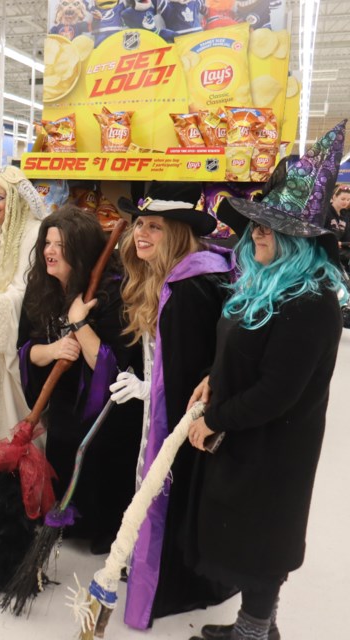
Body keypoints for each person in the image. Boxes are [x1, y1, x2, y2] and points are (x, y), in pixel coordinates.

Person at [186, 122, 347, 640]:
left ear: (300, 242)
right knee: (247, 531)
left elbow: (278, 393)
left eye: (270, 229)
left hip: (274, 443)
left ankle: (254, 632)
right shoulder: (265, 285)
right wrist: (213, 378)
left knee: (260, 537)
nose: (257, 234)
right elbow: (240, 347)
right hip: (245, 432)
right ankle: (255, 626)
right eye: (256, 226)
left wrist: (215, 421)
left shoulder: (310, 303)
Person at [113, 182, 237, 629]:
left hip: (183, 422)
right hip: (161, 414)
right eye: (139, 224)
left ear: (180, 234)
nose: (140, 233)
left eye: (154, 227)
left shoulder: (188, 289)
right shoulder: (169, 278)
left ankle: (167, 582)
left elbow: (189, 375)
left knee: (173, 489)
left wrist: (151, 392)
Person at [17, 206, 142, 553]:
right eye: (48, 242)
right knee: (63, 451)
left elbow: (114, 368)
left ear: (82, 250)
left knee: (100, 461)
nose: (50, 251)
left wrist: (79, 324)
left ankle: (106, 526)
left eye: (61, 244)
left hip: (105, 411)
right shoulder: (41, 287)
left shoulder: (114, 292)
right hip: (63, 403)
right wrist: (54, 349)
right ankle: (69, 517)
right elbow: (26, 351)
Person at [0, 165, 49, 445]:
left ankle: (18, 469)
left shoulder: (33, 232)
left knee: (18, 406)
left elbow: (24, 289)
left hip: (23, 331)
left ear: (15, 199)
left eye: (0, 197)